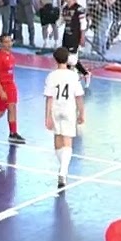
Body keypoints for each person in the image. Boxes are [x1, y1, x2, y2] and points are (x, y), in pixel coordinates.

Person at [43, 47, 84, 188]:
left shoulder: (51, 76)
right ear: (67, 59)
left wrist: (47, 116)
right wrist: (82, 113)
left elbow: (48, 98)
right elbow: (79, 97)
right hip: (68, 110)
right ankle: (63, 171)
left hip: (56, 109)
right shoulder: (73, 76)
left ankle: (62, 169)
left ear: (55, 59)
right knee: (68, 142)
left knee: (58, 141)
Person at [59, 0, 91, 84]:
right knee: (65, 56)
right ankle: (69, 76)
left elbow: (83, 24)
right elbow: (61, 20)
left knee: (72, 58)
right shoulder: (65, 8)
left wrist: (82, 36)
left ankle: (85, 73)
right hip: (66, 35)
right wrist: (53, 27)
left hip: (75, 35)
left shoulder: (79, 9)